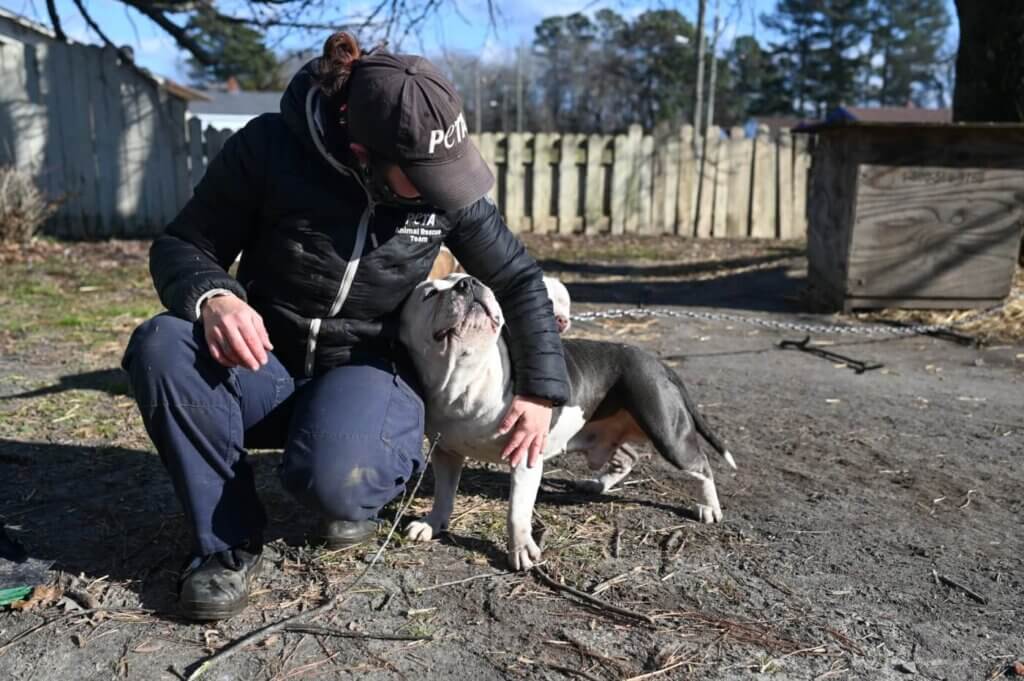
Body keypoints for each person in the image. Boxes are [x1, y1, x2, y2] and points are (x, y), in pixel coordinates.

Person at [121, 33, 569, 621]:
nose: (445, 189)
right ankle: (224, 546)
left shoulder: (441, 185)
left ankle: (349, 470)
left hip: (367, 367)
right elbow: (184, 244)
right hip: (264, 364)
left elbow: (516, 276)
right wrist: (213, 297)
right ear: (363, 150)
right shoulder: (268, 149)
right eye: (426, 176)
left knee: (340, 483)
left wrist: (540, 388)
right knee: (162, 344)